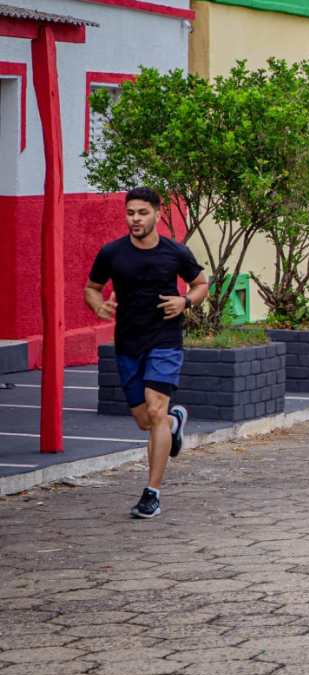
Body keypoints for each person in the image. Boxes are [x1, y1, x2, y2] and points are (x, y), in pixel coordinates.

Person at [84, 187, 208, 519]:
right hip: (128, 343)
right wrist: (99, 306)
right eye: (130, 213)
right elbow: (91, 288)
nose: (135, 219)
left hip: (165, 341)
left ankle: (151, 493)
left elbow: (201, 284)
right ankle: (174, 421)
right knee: (145, 420)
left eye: (142, 213)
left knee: (155, 410)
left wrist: (185, 301)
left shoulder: (175, 253)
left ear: (157, 214)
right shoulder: (112, 253)